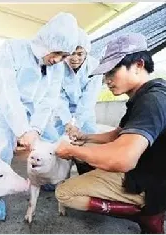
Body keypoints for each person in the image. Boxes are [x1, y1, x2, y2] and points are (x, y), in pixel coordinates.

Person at [54, 33, 166, 233]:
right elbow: (117, 135)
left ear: (138, 65)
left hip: (149, 185)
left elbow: (123, 160)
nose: (107, 80)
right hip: (149, 170)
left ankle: (145, 215)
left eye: (112, 71)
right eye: (105, 75)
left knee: (64, 192)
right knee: (83, 147)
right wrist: (86, 138)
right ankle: (109, 189)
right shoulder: (146, 95)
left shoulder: (153, 101)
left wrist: (72, 151)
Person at [0, 12, 79, 221]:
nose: (58, 60)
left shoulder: (57, 67)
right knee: (2, 146)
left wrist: (34, 129)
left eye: (64, 56)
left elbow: (49, 101)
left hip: (34, 109)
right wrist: (21, 130)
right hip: (3, 106)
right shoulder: (11, 50)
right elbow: (7, 93)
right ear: (46, 42)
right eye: (57, 53)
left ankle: (44, 176)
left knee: (51, 142)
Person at [41, 28, 103, 192]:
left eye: (80, 54)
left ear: (86, 53)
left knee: (87, 146)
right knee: (55, 145)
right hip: (61, 113)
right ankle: (52, 178)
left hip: (86, 113)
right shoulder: (58, 66)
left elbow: (88, 99)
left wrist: (78, 123)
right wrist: (67, 121)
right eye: (71, 53)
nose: (75, 58)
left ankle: (88, 181)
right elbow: (58, 96)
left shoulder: (95, 66)